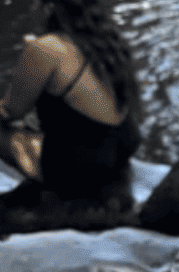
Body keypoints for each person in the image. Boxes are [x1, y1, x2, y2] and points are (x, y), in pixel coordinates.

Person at [0, 0, 142, 213]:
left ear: (49, 8)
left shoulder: (46, 47)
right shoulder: (109, 41)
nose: (31, 10)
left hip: (78, 169)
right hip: (119, 152)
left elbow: (10, 111)